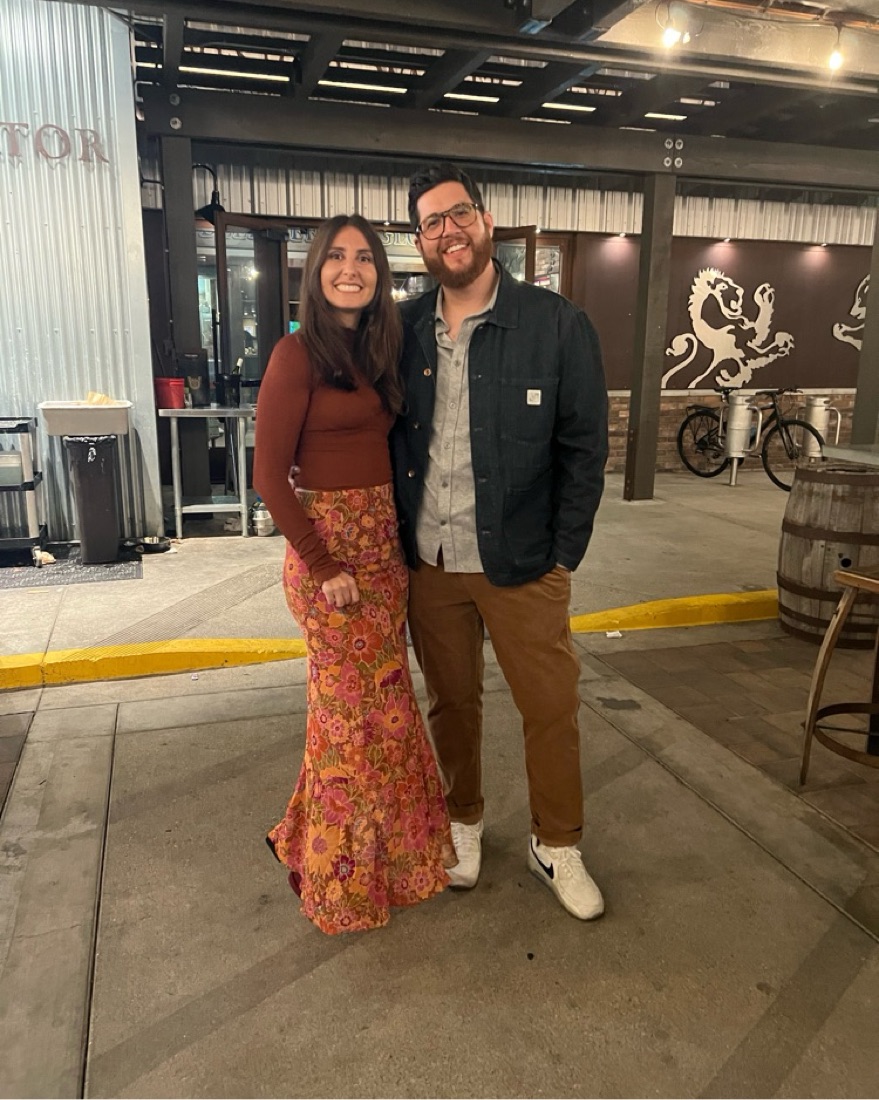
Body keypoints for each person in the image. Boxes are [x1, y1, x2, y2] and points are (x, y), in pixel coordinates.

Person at [391, 164, 609, 921]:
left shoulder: (556, 324)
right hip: (431, 560)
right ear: (420, 241)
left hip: (523, 562)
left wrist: (563, 553)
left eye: (458, 214)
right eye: (431, 222)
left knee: (549, 706)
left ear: (485, 221)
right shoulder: (403, 330)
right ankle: (464, 821)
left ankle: (557, 844)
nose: (447, 231)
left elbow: (584, 447)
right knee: (450, 704)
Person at [254, 214, 454, 936]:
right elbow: (268, 476)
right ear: (316, 271)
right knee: (346, 728)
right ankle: (339, 882)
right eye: (336, 257)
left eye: (364, 257)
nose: (350, 269)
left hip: (383, 555)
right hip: (330, 563)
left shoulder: (376, 351)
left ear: (379, 273)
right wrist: (323, 563)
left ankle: (378, 860)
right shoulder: (295, 354)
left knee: (387, 720)